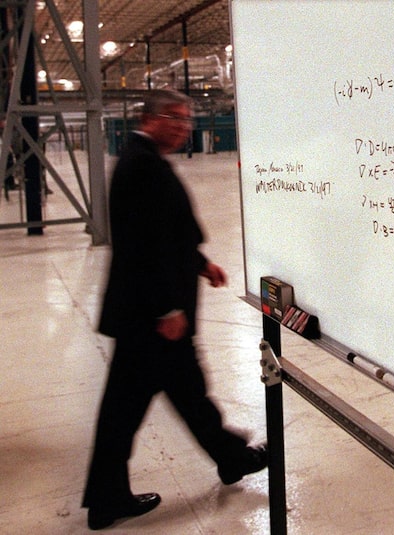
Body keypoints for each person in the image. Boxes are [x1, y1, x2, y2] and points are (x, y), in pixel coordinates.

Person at [82, 89, 266, 530]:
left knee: (156, 401)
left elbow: (166, 232)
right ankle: (230, 458)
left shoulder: (144, 159)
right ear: (151, 117)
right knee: (172, 396)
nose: (185, 127)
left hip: (144, 315)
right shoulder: (140, 165)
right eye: (176, 118)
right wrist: (167, 309)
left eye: (188, 120)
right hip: (153, 316)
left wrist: (201, 264)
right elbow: (141, 247)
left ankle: (225, 459)